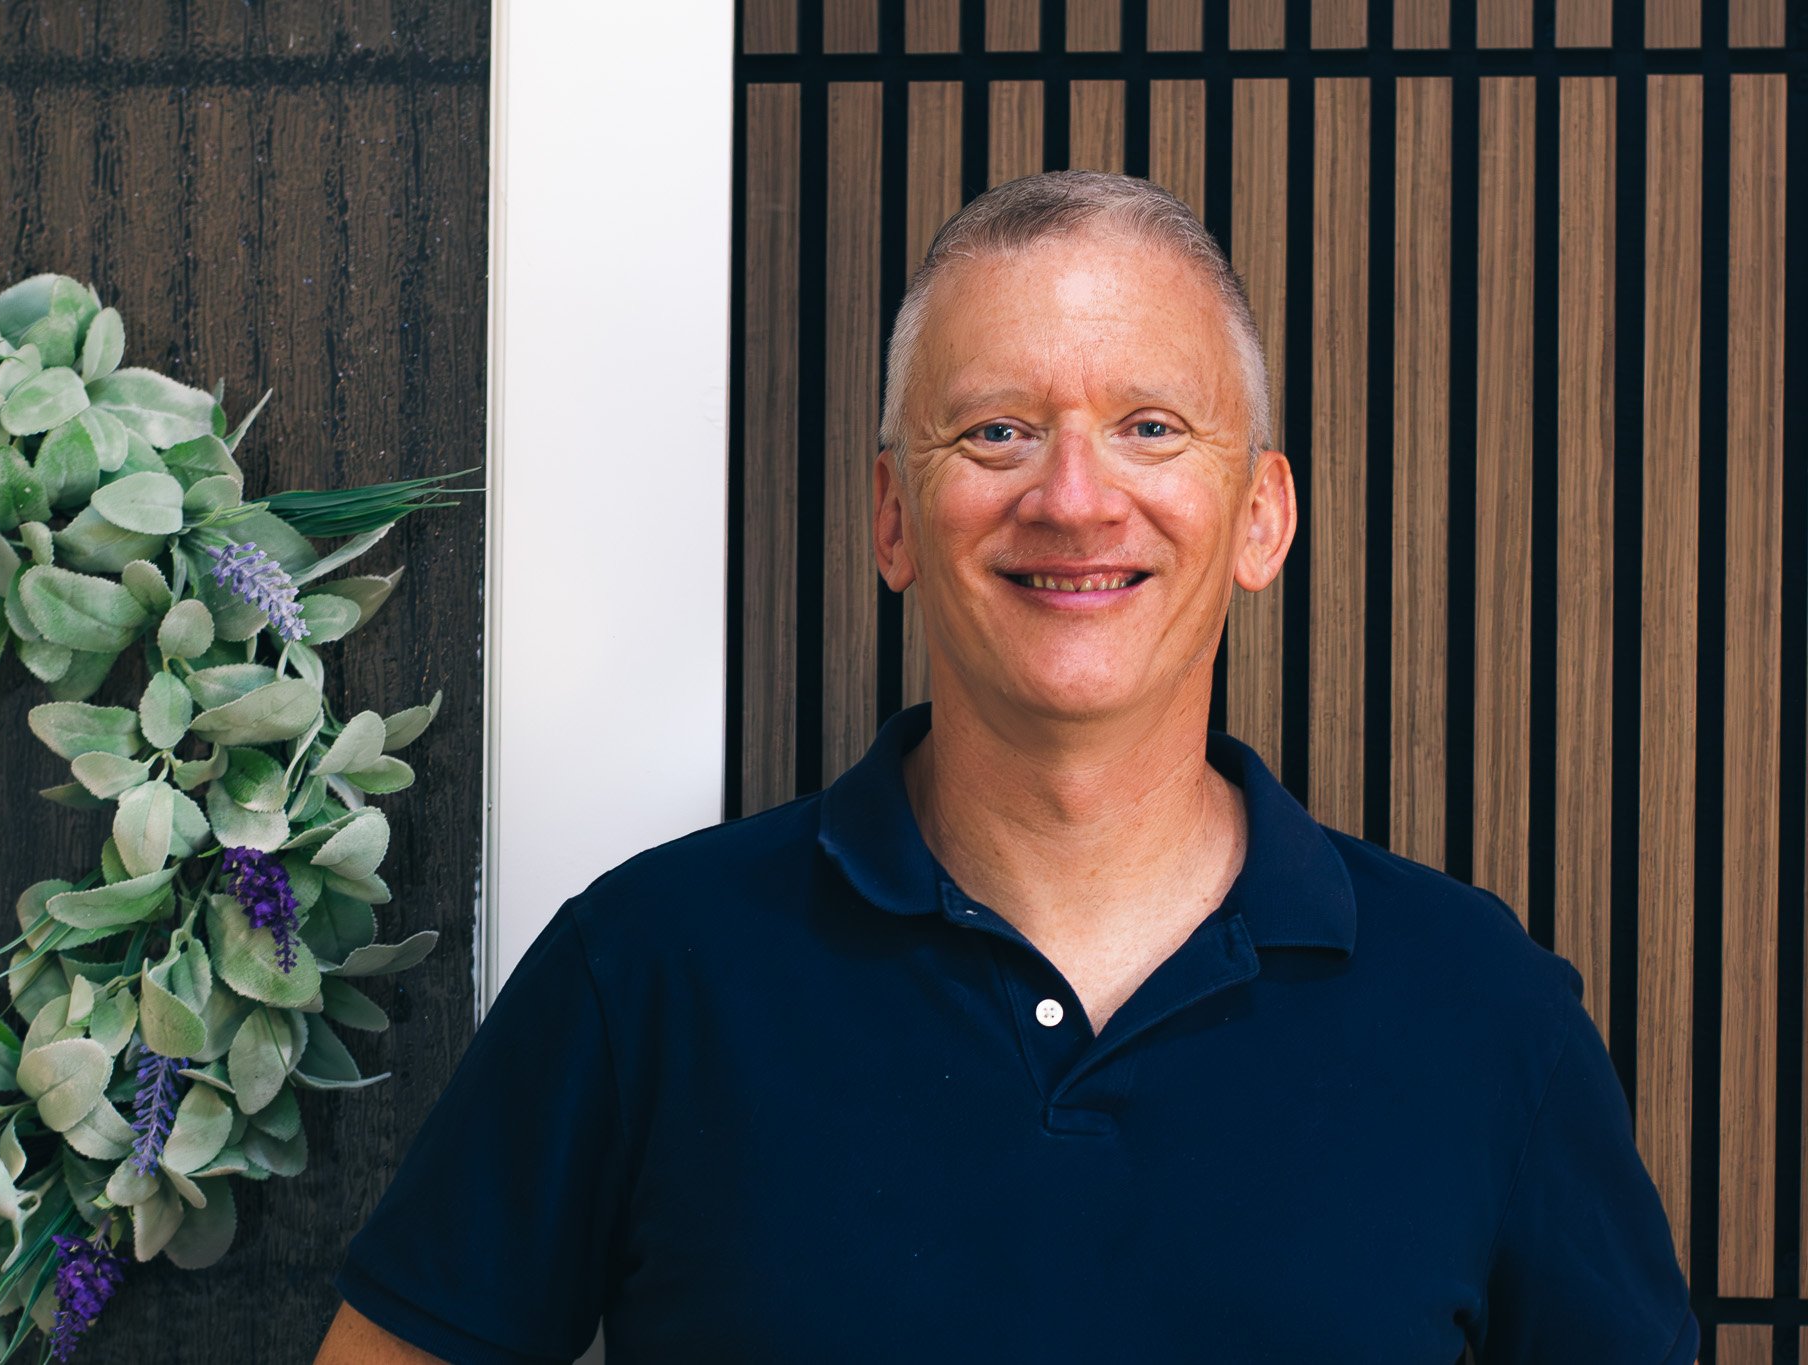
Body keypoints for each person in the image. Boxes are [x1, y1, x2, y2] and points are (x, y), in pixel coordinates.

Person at [313, 170, 1697, 1364]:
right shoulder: (646, 971)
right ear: (894, 517)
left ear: (1262, 517)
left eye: (1152, 426)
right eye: (997, 431)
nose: (1075, 495)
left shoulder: (1481, 1009)